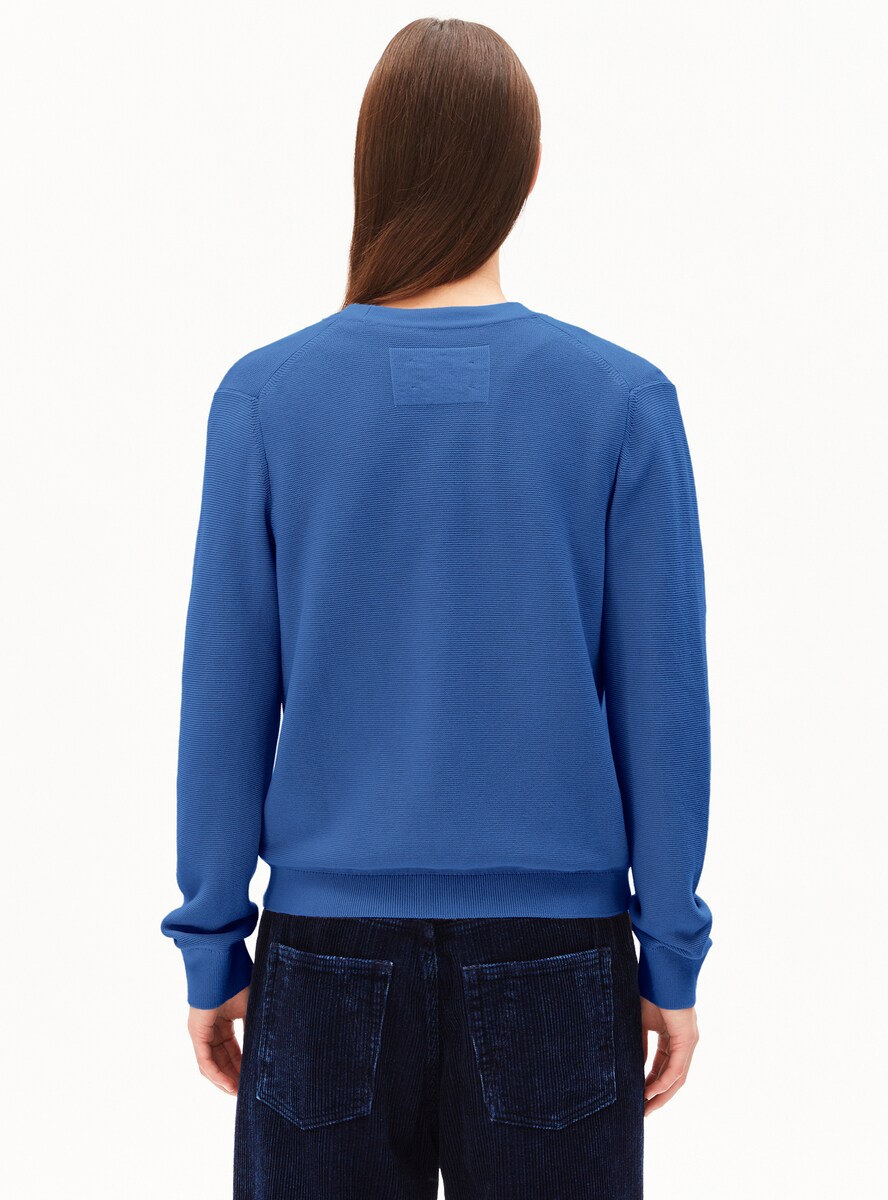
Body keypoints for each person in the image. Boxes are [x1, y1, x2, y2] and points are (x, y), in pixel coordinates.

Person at [161, 16, 713, 1199]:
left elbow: (223, 698)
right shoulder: (621, 400)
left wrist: (211, 946)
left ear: (372, 164)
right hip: (559, 961)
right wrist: (671, 954)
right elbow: (664, 710)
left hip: (323, 962)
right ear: (526, 168)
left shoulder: (265, 399)